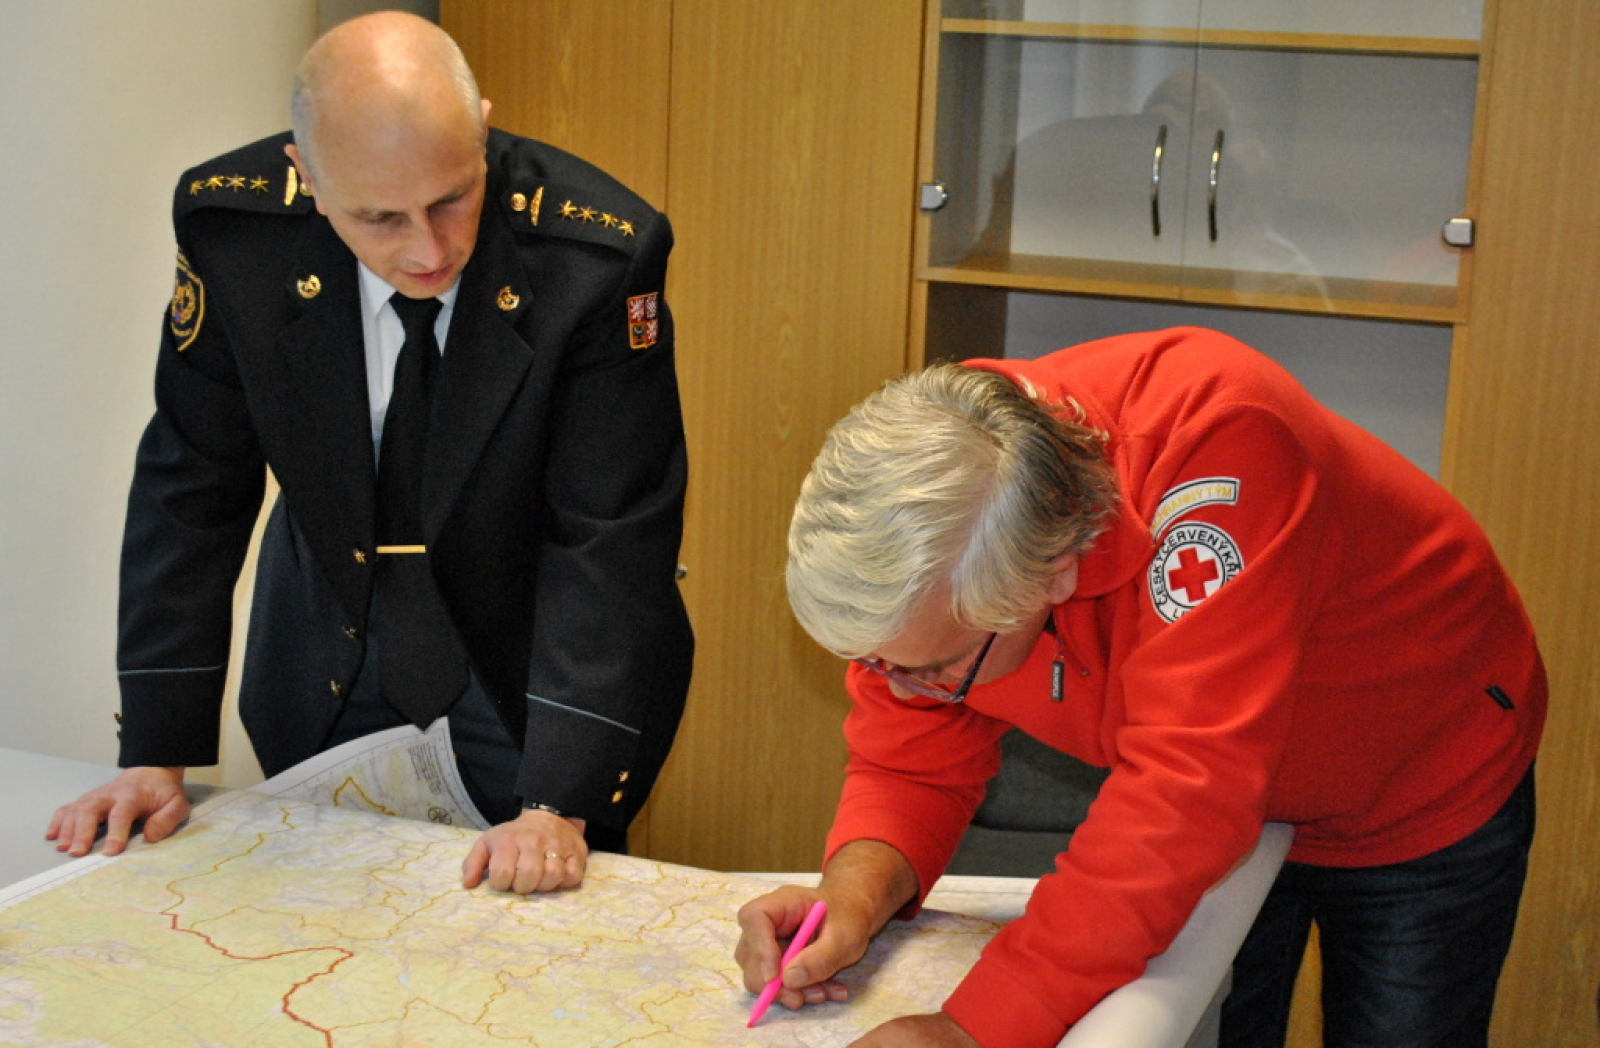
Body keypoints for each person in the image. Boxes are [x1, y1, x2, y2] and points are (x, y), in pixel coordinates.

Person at [735, 327, 1544, 1047]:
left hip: (1417, 769)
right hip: (1226, 804)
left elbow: (1187, 793)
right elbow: (913, 753)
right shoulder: (940, 495)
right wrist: (851, 899)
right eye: (879, 662)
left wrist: (975, 1029)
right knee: (1214, 1021)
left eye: (930, 667)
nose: (904, 687)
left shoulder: (1221, 445)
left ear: (1053, 576)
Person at [46, 12, 693, 896]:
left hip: (533, 662)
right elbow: (192, 481)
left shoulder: (593, 256)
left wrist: (558, 798)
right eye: (380, 217)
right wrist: (156, 751)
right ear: (307, 177)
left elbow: (609, 533)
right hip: (326, 645)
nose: (427, 249)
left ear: (483, 131)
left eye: (451, 199)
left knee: (525, 922)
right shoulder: (237, 231)